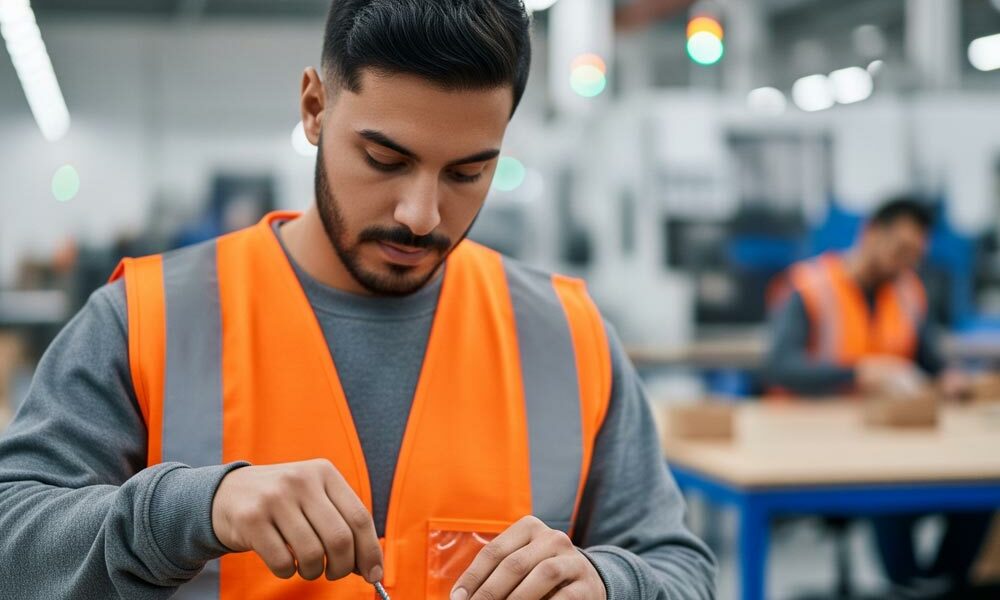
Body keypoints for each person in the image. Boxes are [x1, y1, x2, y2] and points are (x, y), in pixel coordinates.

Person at [0, 1, 716, 599]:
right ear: (314, 108)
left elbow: (682, 570)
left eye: (467, 172)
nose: (421, 214)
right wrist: (192, 508)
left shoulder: (565, 335)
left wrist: (605, 580)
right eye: (385, 160)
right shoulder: (148, 320)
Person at [765, 197, 991, 595]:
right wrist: (859, 373)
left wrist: (949, 378)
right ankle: (905, 584)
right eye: (900, 250)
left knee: (980, 490)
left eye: (915, 255)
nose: (906, 262)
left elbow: (930, 358)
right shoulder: (810, 287)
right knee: (893, 496)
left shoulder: (907, 292)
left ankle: (944, 584)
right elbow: (779, 366)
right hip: (817, 445)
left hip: (889, 438)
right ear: (871, 233)